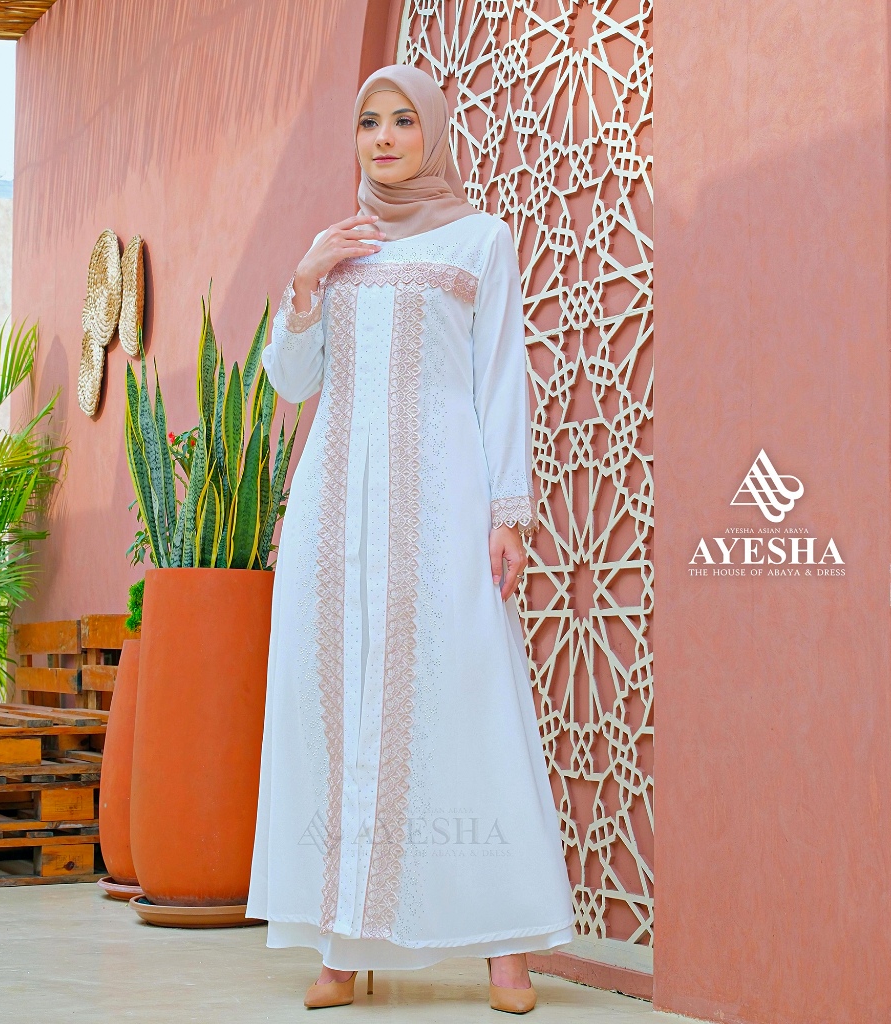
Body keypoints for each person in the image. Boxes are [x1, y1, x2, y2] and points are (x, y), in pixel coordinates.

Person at [246, 63, 575, 1014]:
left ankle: (506, 953)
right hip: (334, 518)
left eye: (401, 120)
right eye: (368, 122)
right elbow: (291, 382)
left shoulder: (480, 239)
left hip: (441, 506)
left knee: (469, 704)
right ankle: (339, 946)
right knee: (336, 714)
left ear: (431, 133)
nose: (384, 137)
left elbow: (500, 377)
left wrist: (508, 511)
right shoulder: (339, 245)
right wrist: (305, 282)